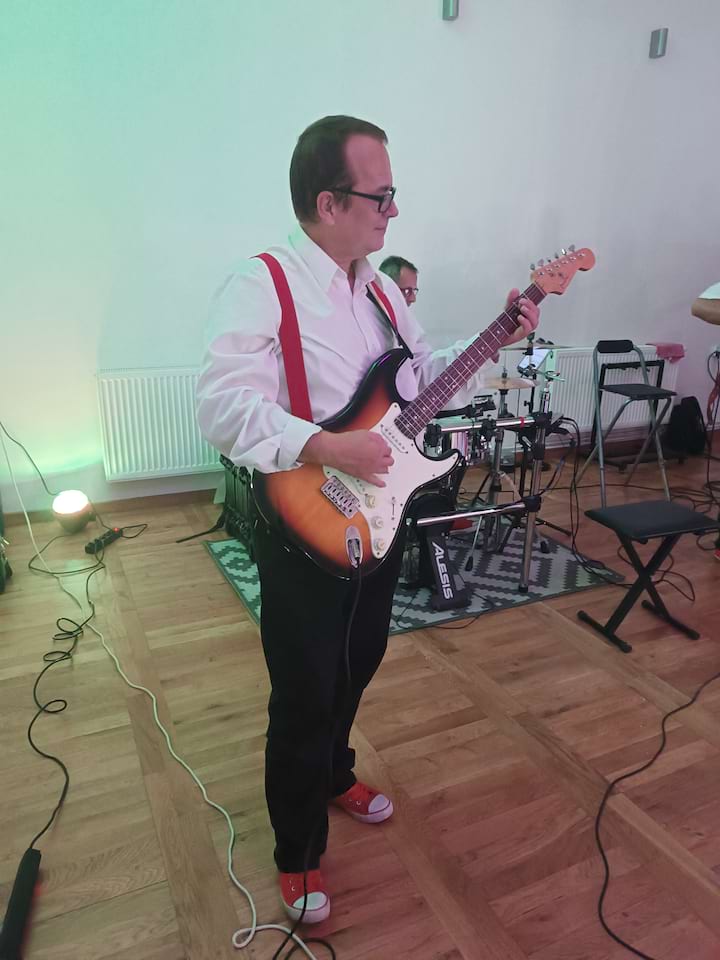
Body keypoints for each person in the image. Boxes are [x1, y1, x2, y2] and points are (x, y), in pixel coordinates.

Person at [196, 115, 539, 924]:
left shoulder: (380, 289)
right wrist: (325, 445)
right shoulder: (262, 284)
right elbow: (221, 406)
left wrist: (497, 335)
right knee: (304, 685)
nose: (393, 210)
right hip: (302, 518)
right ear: (329, 202)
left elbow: (420, 380)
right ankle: (297, 851)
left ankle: (333, 772)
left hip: (377, 516)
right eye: (380, 196)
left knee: (360, 656)